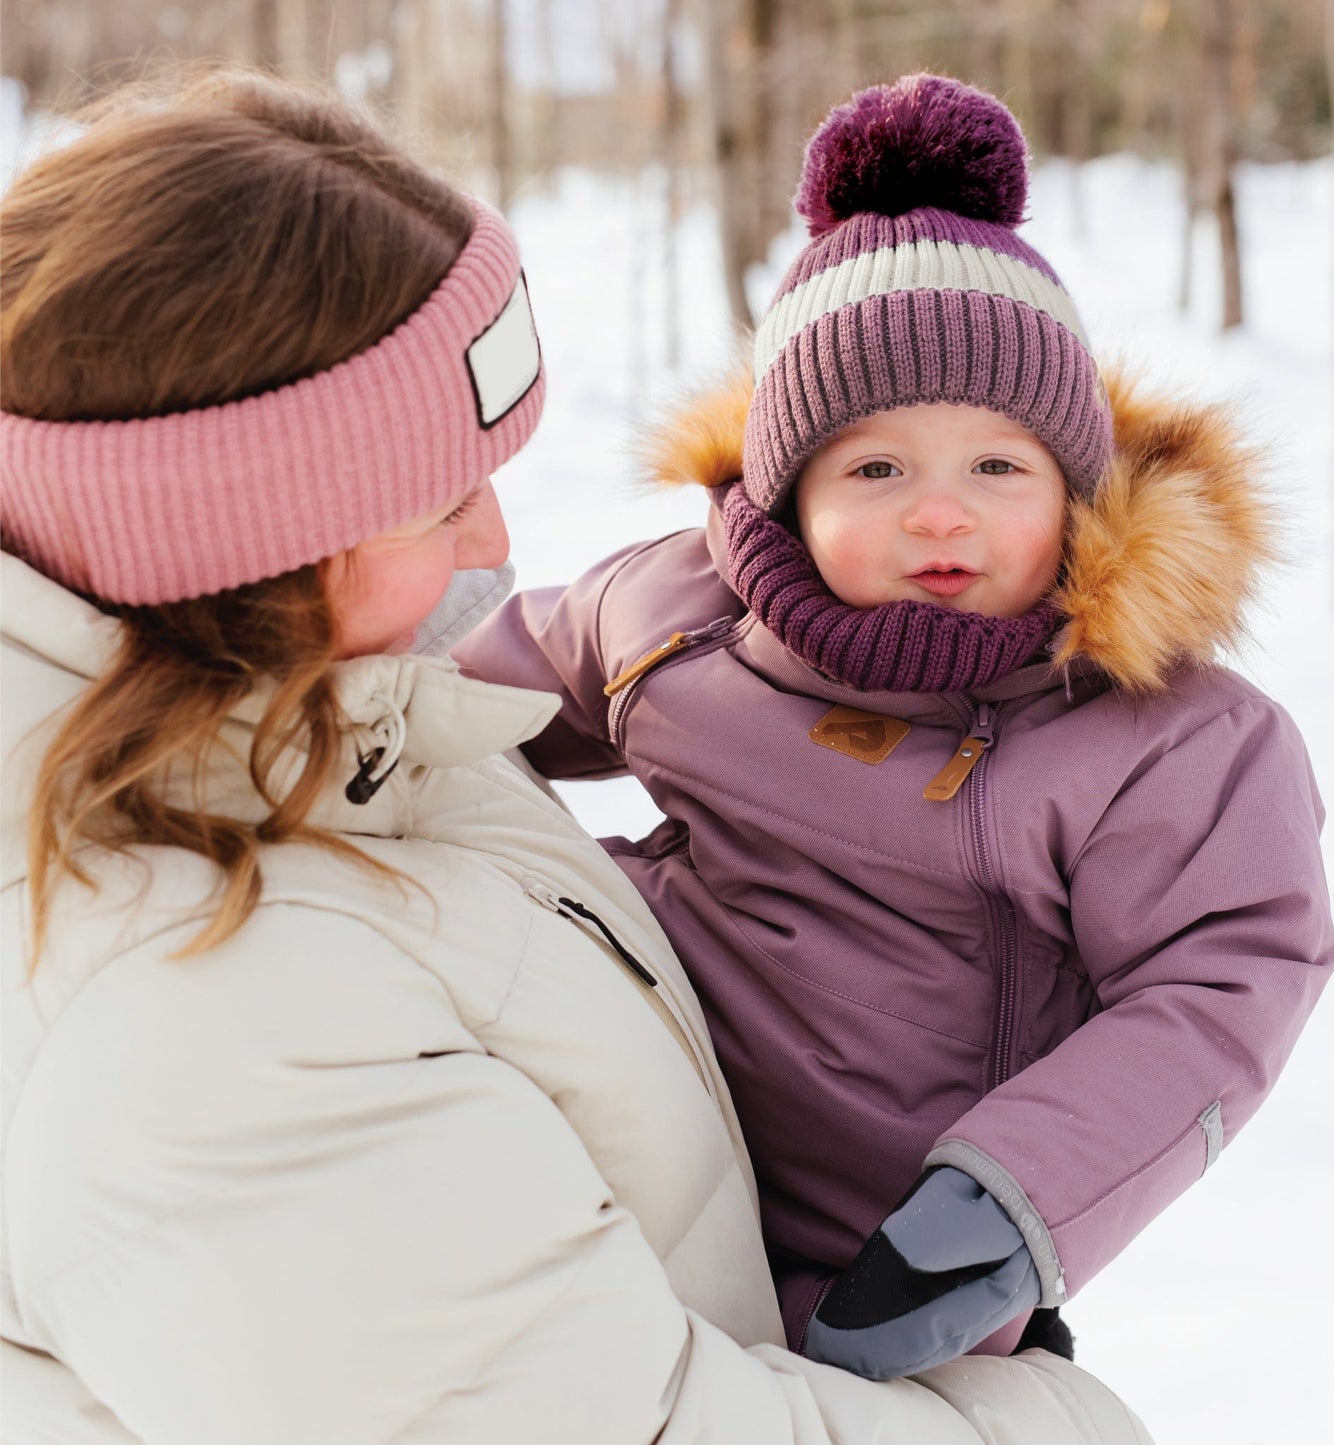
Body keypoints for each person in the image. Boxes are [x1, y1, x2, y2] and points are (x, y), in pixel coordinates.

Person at [0, 70, 1156, 1443]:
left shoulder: (324, 720)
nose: (495, 544)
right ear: (241, 542)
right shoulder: (202, 1019)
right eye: (439, 502)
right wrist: (1044, 1413)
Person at [454, 75, 1334, 1380]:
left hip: (899, 1251)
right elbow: (458, 705)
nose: (940, 514)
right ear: (785, 489)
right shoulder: (671, 612)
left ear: (1075, 489)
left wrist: (1000, 1208)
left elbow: (1219, 986)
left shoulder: (1160, 740)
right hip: (623, 1153)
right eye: (875, 468)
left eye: (997, 466)